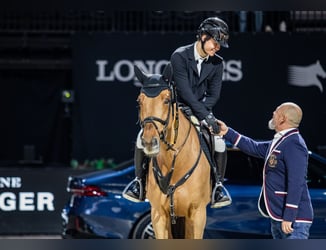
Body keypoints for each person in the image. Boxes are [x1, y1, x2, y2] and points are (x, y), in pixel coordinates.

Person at [123, 16, 232, 209]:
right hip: (176, 108)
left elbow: (214, 95)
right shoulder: (180, 56)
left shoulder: (217, 63)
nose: (218, 48)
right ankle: (139, 183)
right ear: (203, 36)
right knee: (143, 137)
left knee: (219, 142)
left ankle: (218, 187)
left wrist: (203, 113)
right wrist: (204, 115)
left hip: (200, 110)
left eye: (219, 45)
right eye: (215, 43)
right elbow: (184, 92)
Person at [217, 102, 313, 239]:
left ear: (282, 119)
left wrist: (289, 215)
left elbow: (296, 182)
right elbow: (254, 147)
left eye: (276, 112)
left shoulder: (294, 143)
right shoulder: (282, 140)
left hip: (293, 221)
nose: (273, 114)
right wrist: (227, 132)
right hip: (278, 216)